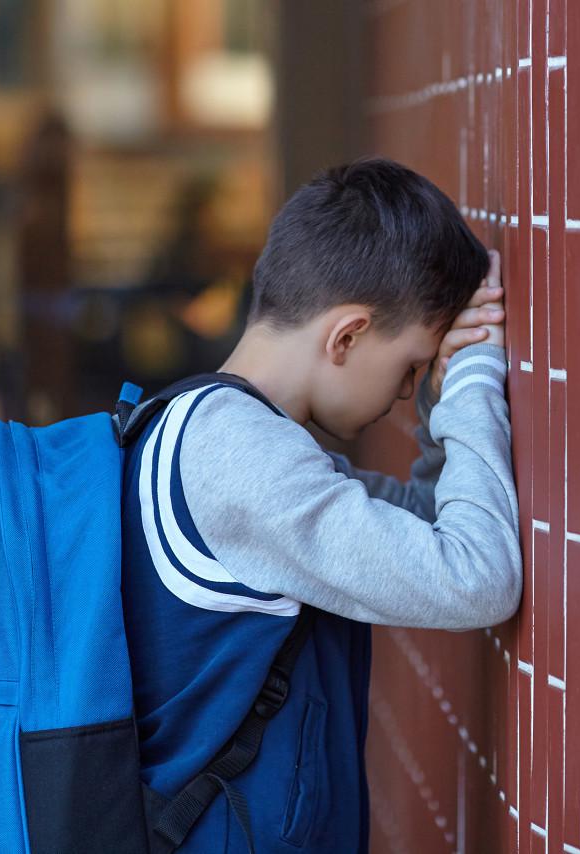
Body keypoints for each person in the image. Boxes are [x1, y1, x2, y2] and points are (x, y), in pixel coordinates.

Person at [120, 156, 522, 853]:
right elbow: (477, 577)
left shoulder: (199, 425)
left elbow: (422, 521)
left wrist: (442, 405)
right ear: (347, 336)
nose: (405, 392)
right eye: (409, 368)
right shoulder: (242, 463)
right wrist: (479, 379)